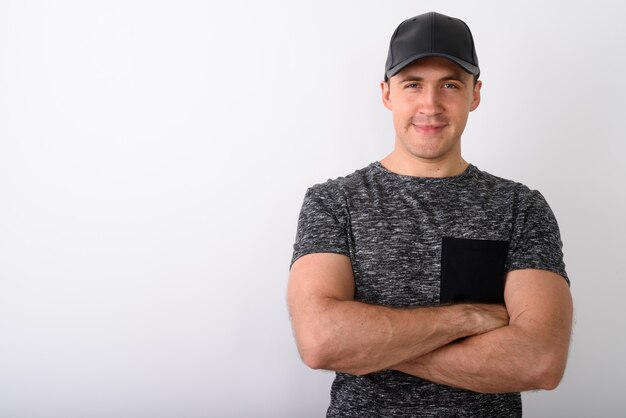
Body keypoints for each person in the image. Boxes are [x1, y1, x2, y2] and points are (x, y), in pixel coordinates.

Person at [287, 11, 573, 417]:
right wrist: (468, 319)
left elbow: (539, 361)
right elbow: (319, 341)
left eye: (450, 85)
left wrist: (368, 347)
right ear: (387, 93)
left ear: (475, 94)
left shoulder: (520, 208)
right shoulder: (334, 203)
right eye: (413, 84)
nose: (430, 104)